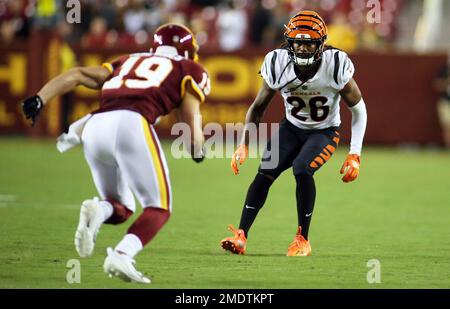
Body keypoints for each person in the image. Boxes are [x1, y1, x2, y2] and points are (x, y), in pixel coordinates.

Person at [21, 23, 210, 283]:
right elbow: (191, 119)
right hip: (131, 124)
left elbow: (76, 75)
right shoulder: (189, 69)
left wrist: (40, 98)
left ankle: (98, 210)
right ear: (188, 50)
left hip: (94, 126)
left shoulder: (129, 60)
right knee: (159, 207)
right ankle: (122, 254)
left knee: (122, 207)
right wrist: (197, 149)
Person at [220, 11, 367, 256]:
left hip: (324, 132)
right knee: (264, 173)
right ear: (289, 42)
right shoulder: (278, 62)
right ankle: (241, 236)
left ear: (320, 44)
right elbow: (257, 108)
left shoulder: (335, 64)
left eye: (308, 42)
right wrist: (243, 144)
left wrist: (355, 154)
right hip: (290, 128)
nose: (302, 48)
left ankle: (302, 240)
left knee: (302, 169)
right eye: (298, 42)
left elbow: (359, 109)